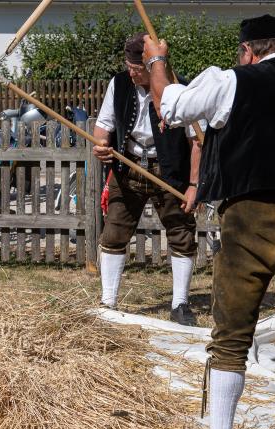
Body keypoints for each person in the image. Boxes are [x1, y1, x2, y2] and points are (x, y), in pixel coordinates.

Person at [142, 15, 275, 429]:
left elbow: (170, 107)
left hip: (251, 220)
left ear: (249, 50)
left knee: (230, 337)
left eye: (241, 53)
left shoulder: (232, 80)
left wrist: (157, 62)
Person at [91, 32, 202, 326]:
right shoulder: (119, 84)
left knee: (181, 233)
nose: (131, 71)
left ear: (153, 64)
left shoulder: (179, 87)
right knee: (113, 233)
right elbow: (103, 127)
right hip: (127, 167)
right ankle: (108, 303)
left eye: (137, 67)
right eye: (128, 65)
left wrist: (193, 185)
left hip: (170, 170)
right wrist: (101, 146)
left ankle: (180, 304)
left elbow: (197, 142)